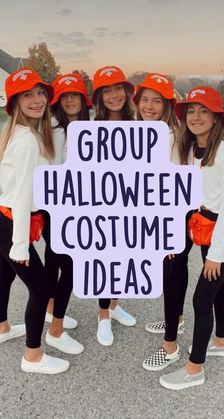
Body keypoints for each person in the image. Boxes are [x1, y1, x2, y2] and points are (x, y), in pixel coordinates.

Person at [159, 86, 224, 390]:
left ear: (217, 117)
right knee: (219, 289)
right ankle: (222, 340)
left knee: (201, 297)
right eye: (191, 110)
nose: (196, 116)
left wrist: (217, 254)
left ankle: (195, 369)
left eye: (204, 110)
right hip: (203, 225)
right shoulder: (191, 149)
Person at [0, 67, 69, 374]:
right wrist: (19, 245)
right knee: (41, 288)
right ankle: (33, 356)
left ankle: (2, 327)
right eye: (27, 95)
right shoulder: (27, 140)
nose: (37, 99)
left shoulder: (19, 131)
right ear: (14, 102)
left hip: (4, 217)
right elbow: (23, 193)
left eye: (40, 93)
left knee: (4, 276)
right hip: (14, 222)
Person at [134, 73, 190, 372]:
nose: (150, 106)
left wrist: (170, 228)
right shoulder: (139, 131)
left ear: (168, 104)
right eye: (145, 99)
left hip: (173, 217)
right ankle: (177, 321)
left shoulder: (171, 135)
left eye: (157, 100)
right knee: (174, 270)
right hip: (154, 215)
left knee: (170, 273)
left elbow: (176, 186)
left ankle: (170, 347)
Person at [43, 73, 91, 355]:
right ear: (57, 101)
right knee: (72, 267)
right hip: (58, 206)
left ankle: (51, 309)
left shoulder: (89, 127)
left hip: (81, 207)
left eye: (74, 94)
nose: (70, 99)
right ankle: (55, 330)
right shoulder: (51, 125)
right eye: (64, 95)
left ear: (83, 99)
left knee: (54, 260)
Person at [92, 65, 136, 346]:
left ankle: (115, 304)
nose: (114, 95)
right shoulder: (91, 128)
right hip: (100, 205)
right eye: (107, 91)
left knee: (123, 259)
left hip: (131, 204)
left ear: (126, 92)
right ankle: (102, 315)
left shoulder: (139, 125)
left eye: (118, 88)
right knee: (102, 261)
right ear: (99, 97)